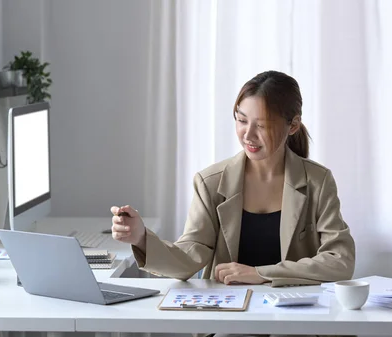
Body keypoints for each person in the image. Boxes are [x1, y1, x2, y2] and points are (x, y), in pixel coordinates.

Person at [110, 70, 355, 289]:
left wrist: (261, 274)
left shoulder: (317, 181)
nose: (248, 134)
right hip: (230, 317)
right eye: (241, 120)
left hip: (294, 318)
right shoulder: (210, 183)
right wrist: (142, 237)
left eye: (262, 125)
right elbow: (189, 258)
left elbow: (340, 261)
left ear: (293, 125)